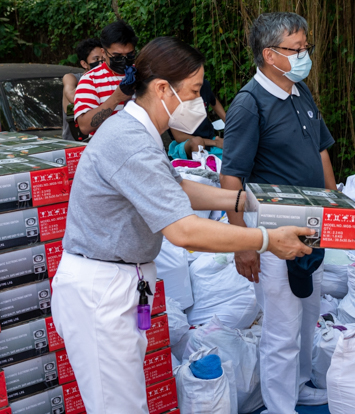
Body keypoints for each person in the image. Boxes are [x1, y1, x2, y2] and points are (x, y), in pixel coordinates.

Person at [51, 36, 314, 414]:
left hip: (122, 282)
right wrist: (266, 239)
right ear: (162, 89)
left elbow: (175, 187)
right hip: (100, 291)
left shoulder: (140, 132)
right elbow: (184, 231)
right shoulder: (129, 141)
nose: (199, 104)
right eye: (193, 93)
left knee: (127, 401)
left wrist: (248, 200)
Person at [221, 12, 336, 413]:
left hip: (313, 221)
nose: (305, 55)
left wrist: (333, 202)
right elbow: (231, 179)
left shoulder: (299, 91)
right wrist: (242, 244)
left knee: (307, 314)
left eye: (306, 47)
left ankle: (300, 384)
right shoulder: (249, 105)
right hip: (272, 230)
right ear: (270, 55)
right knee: (283, 324)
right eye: (297, 49)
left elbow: (321, 150)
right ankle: (280, 405)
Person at [74, 20, 137, 136]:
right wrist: (116, 98)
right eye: (117, 56)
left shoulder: (142, 73)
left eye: (129, 55)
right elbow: (84, 126)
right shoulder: (90, 80)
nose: (124, 60)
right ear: (103, 52)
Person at [168, 77, 226, 160]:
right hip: (185, 144)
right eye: (194, 92)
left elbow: (214, 102)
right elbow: (179, 136)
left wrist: (230, 125)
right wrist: (215, 143)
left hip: (209, 139)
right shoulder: (173, 94)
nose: (198, 96)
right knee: (197, 143)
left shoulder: (204, 85)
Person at [62, 38, 104, 140]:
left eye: (103, 58)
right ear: (84, 64)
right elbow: (72, 96)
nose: (101, 63)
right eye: (96, 59)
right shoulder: (72, 78)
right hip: (73, 145)